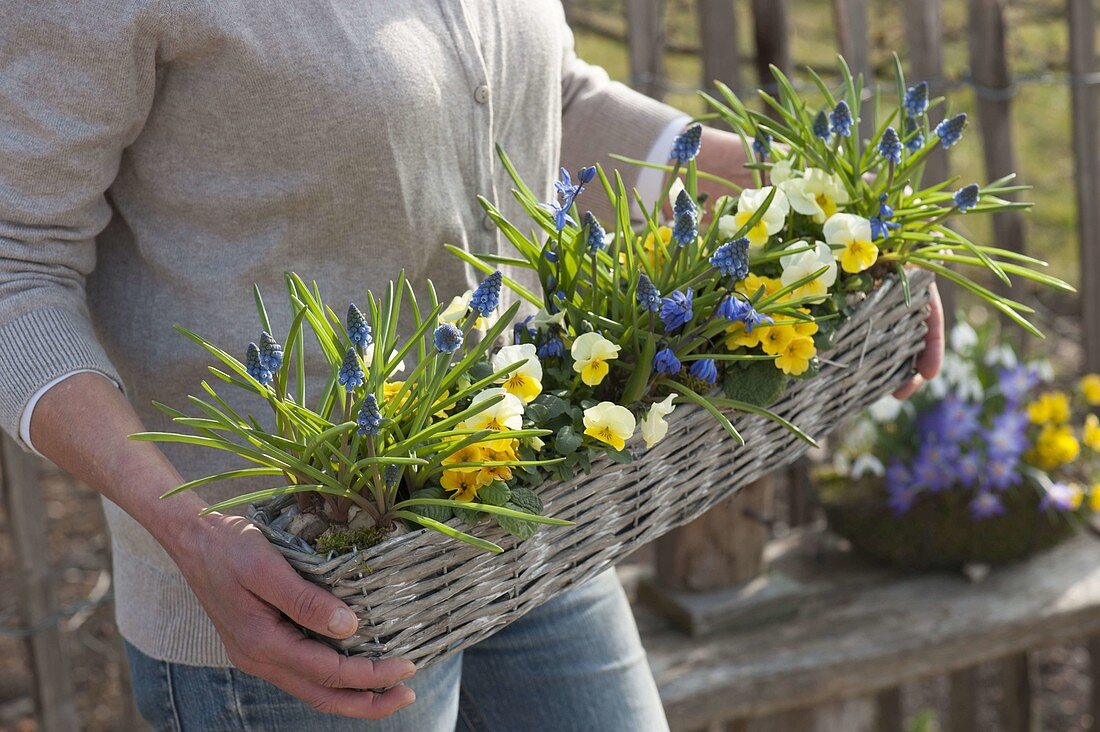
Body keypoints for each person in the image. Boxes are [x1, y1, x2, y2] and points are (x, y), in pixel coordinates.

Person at [0, 1, 942, 729]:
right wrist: (196, 537)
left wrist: (825, 219)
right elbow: (15, 269)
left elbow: (555, 98)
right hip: (300, 598)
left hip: (520, 512)